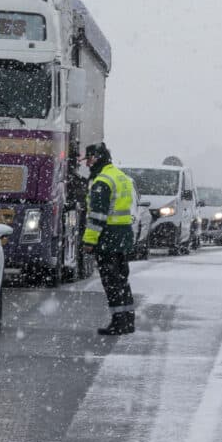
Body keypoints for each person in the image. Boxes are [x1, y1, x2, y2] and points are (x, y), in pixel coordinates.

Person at [82, 142, 138, 335]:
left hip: (109, 239)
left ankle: (118, 322)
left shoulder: (102, 182)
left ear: (97, 158)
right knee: (122, 280)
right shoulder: (121, 177)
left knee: (111, 283)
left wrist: (89, 241)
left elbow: (97, 216)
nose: (87, 164)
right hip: (123, 236)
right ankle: (128, 320)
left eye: (89, 159)